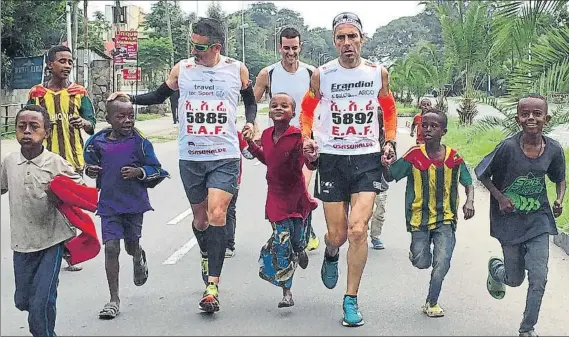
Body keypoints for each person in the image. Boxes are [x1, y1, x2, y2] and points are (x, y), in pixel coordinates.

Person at [107, 17, 257, 313]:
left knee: (217, 213)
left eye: (199, 46)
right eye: (191, 44)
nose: (194, 50)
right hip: (191, 157)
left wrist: (251, 121)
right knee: (200, 220)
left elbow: (249, 100)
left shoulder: (236, 69)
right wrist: (129, 98)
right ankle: (206, 252)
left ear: (216, 47)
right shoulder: (183, 69)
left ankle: (212, 286)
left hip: (224, 155)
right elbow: (158, 96)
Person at [298, 12, 398, 327]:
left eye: (352, 37)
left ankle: (351, 299)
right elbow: (307, 109)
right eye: (340, 38)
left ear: (361, 39)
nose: (346, 44)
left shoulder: (376, 73)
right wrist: (306, 137)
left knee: (358, 231)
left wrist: (390, 141)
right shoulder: (321, 75)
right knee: (338, 235)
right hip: (332, 159)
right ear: (334, 42)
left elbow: (389, 107)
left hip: (367, 158)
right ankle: (330, 253)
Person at [474, 95, 566, 337]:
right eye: (525, 114)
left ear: (547, 118)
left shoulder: (554, 149)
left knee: (539, 277)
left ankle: (527, 329)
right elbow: (482, 173)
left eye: (537, 114)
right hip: (509, 223)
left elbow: (559, 179)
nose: (531, 118)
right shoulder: (507, 148)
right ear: (518, 119)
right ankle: (497, 269)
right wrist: (500, 198)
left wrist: (559, 200)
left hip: (539, 221)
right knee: (514, 280)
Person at [1, 105, 86, 336]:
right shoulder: (9, 162)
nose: (27, 132)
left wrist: (61, 192)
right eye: (21, 127)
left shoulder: (56, 163)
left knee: (42, 302)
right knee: (23, 301)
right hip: (22, 243)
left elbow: (81, 192)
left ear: (46, 132)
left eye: (34, 127)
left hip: (52, 240)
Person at [382, 109, 475, 317]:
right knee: (422, 261)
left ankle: (432, 302)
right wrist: (386, 165)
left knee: (442, 262)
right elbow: (390, 177)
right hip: (419, 220)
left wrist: (470, 201)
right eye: (424, 125)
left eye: (434, 126)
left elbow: (468, 182)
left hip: (446, 219)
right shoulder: (414, 155)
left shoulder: (454, 157)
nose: (428, 130)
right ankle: (417, 254)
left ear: (444, 131)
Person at [84, 94, 169, 320]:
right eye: (121, 116)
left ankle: (138, 254)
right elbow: (90, 165)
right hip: (109, 205)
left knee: (130, 246)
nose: (127, 120)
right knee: (111, 247)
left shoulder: (140, 143)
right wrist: (90, 170)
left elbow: (157, 169)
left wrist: (139, 172)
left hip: (133, 204)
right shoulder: (97, 142)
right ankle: (114, 299)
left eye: (131, 116)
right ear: (109, 118)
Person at [244, 93, 318, 308]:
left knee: (295, 240)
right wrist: (250, 144)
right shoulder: (266, 135)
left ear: (293, 113)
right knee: (281, 241)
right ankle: (287, 291)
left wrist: (312, 157)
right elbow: (268, 159)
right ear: (269, 111)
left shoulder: (298, 137)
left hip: (295, 196)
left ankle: (301, 246)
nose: (278, 108)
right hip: (275, 197)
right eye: (274, 105)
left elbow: (310, 164)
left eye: (284, 106)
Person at [27, 45, 97, 272]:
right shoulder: (36, 94)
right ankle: (43, 249)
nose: (67, 66)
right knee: (41, 206)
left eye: (70, 62)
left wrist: (83, 123)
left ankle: (68, 250)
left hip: (72, 162)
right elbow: (26, 124)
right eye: (62, 61)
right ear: (50, 64)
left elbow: (91, 125)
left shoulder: (79, 93)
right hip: (42, 161)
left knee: (68, 208)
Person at [254, 27, 320, 251]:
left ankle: (303, 229)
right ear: (279, 47)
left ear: (300, 47)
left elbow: (326, 102)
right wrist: (253, 127)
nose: (290, 53)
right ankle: (287, 229)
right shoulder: (268, 74)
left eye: (294, 48)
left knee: (302, 182)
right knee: (282, 185)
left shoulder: (312, 73)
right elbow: (252, 104)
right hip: (278, 139)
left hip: (303, 138)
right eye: (286, 48)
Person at [225, 130, 254, 258]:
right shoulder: (208, 133)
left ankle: (228, 245)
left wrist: (252, 142)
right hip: (208, 178)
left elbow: (248, 154)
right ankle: (212, 244)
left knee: (229, 210)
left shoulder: (235, 134)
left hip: (232, 179)